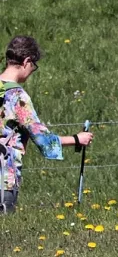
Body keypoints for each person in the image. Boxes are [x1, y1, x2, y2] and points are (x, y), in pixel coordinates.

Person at [0, 36, 94, 213]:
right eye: (33, 66)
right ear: (27, 61)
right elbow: (43, 139)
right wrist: (76, 138)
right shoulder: (18, 97)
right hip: (4, 177)